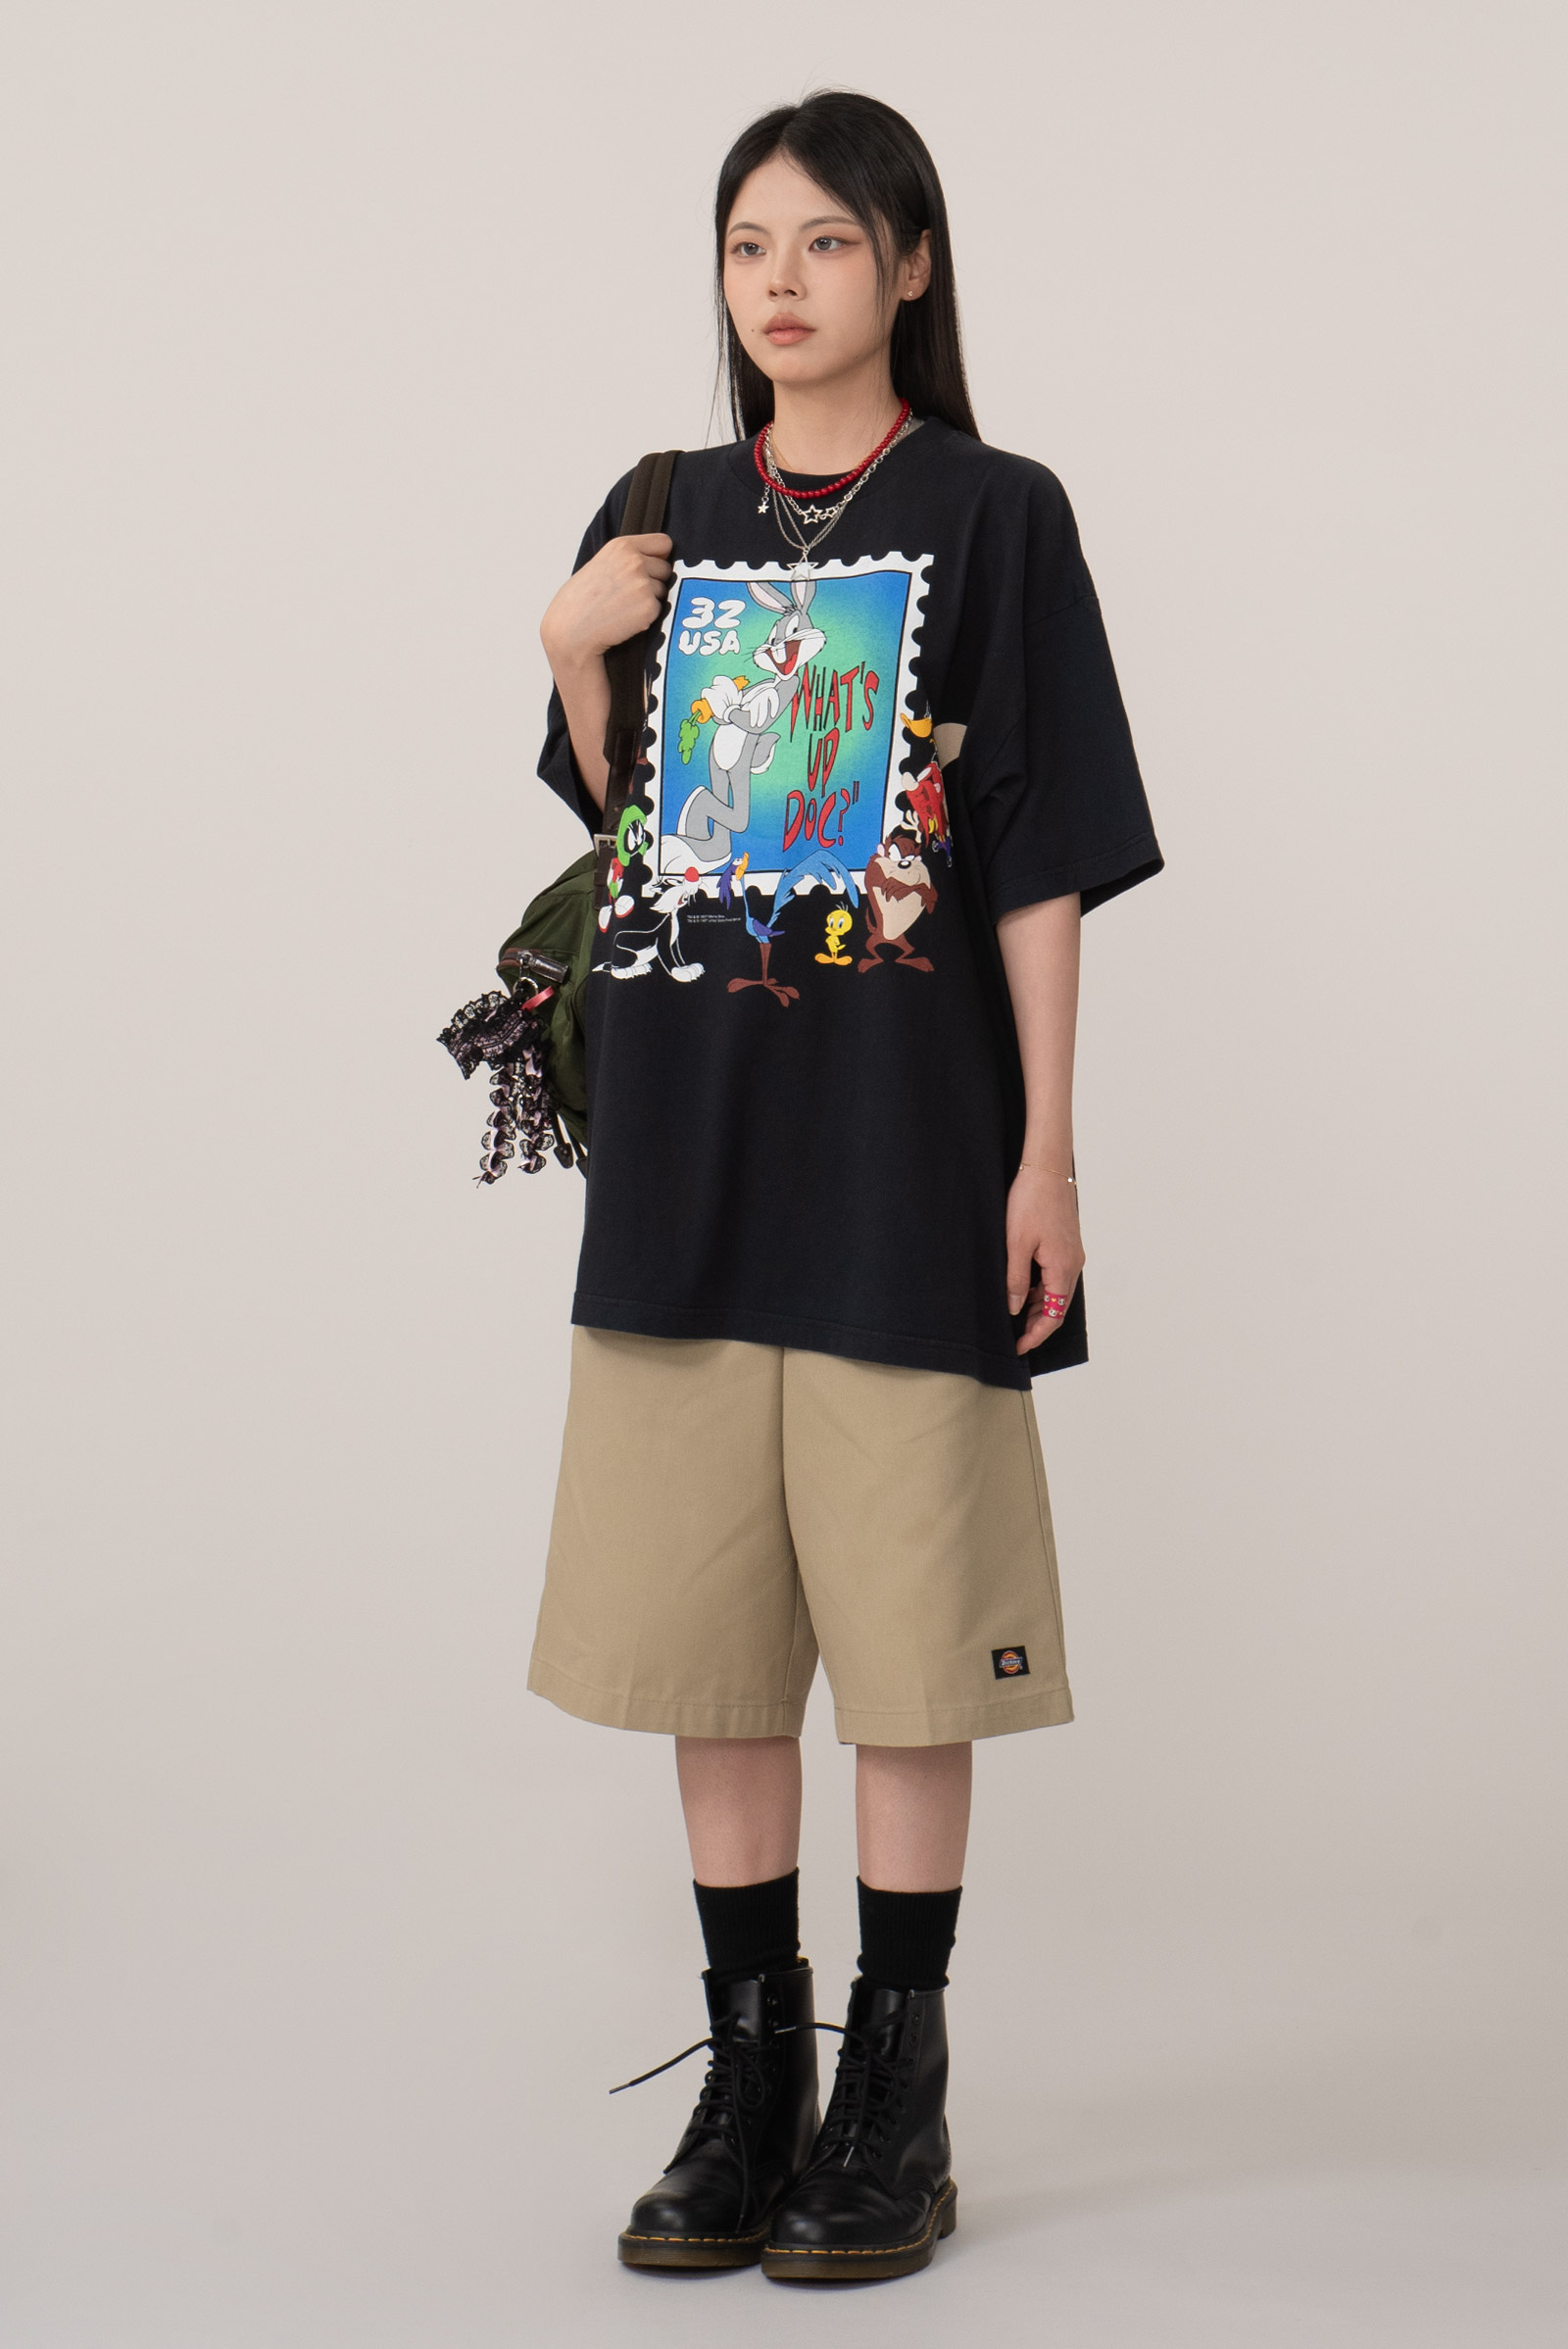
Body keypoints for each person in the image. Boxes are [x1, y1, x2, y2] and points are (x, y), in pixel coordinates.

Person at [526, 89, 1161, 2284]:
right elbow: (637, 841)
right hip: (689, 1154)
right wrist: (570, 648)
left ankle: (897, 2086)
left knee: (906, 1641)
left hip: (904, 1153)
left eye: (820, 240)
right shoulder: (661, 511)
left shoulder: (994, 512)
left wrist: (1044, 1148)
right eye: (744, 246)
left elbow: (1040, 854)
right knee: (706, 1638)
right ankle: (751, 2077)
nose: (777, 282)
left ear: (909, 262)